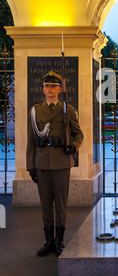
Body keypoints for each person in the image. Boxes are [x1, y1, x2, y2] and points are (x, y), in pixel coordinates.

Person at [26, 70, 84, 257]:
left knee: (60, 204)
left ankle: (59, 240)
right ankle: (48, 240)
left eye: (53, 86)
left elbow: (79, 134)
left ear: (59, 89)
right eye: (46, 86)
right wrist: (30, 165)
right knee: (45, 204)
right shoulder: (35, 111)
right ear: (43, 90)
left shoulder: (68, 109)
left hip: (60, 163)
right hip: (41, 163)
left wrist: (73, 147)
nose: (49, 89)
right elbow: (31, 140)